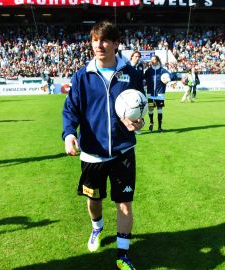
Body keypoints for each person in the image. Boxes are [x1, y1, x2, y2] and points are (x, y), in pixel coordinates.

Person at [62, 21, 143, 270]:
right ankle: (97, 228)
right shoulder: (82, 76)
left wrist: (138, 124)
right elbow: (71, 109)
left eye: (105, 40)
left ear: (116, 43)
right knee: (93, 201)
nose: (99, 44)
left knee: (124, 204)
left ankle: (123, 254)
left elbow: (139, 107)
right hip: (92, 154)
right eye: (95, 39)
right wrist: (68, 134)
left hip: (123, 151)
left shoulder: (131, 73)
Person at [144, 55, 170, 132]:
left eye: (154, 59)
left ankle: (159, 127)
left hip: (160, 95)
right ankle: (151, 122)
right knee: (151, 109)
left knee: (159, 110)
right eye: (151, 60)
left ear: (158, 60)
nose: (152, 61)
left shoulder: (163, 70)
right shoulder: (148, 71)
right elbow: (143, 78)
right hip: (150, 94)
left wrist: (168, 79)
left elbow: (170, 75)